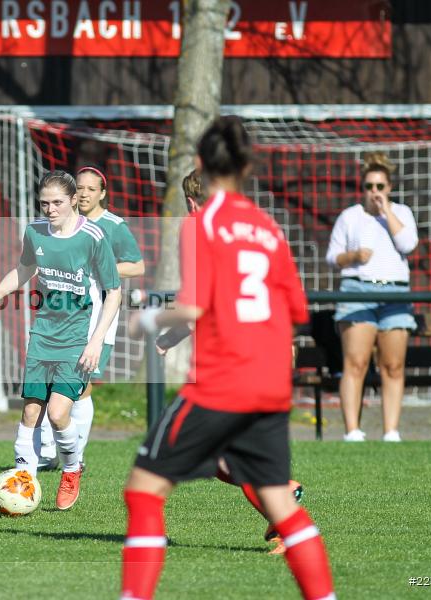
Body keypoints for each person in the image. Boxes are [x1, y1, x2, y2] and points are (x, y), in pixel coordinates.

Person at [121, 117, 334, 600]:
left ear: (200, 163)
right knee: (280, 503)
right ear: (247, 165)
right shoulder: (267, 228)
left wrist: (147, 321)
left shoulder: (202, 224)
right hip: (270, 384)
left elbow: (194, 305)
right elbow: (294, 309)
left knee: (142, 491)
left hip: (224, 381)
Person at [136, 168, 304, 556]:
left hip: (229, 363)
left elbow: (196, 303)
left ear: (192, 202)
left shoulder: (197, 228)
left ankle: (285, 517)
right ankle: (285, 508)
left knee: (163, 460)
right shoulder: (256, 228)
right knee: (217, 457)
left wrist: (155, 324)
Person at [0, 170, 121, 510]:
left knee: (59, 413)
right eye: (44, 203)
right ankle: (24, 481)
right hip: (43, 333)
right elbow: (23, 269)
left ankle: (72, 468)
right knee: (32, 410)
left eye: (57, 202)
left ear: (74, 200)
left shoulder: (93, 236)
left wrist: (96, 341)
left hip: (78, 336)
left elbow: (115, 292)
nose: (50, 209)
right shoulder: (34, 231)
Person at [37, 165, 145, 471]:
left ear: (103, 194)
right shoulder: (65, 224)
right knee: (49, 381)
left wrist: (100, 266)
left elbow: (137, 266)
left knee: (81, 385)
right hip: (62, 316)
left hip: (98, 317)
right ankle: (47, 451)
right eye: (79, 188)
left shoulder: (112, 226)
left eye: (90, 189)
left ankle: (75, 454)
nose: (84, 193)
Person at [326, 152, 418, 442]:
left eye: (380, 186)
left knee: (393, 365)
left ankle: (391, 431)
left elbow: (408, 243)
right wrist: (353, 256)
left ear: (389, 188)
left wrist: (386, 212)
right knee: (355, 362)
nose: (374, 192)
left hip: (394, 291)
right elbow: (332, 257)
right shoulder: (350, 217)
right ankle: (352, 431)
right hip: (358, 290)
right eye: (369, 187)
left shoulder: (401, 213)